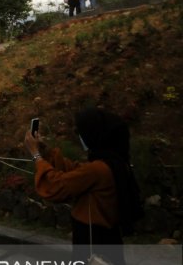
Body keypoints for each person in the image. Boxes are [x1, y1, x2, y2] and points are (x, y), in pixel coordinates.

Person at [24, 108, 143, 265]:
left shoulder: (98, 169)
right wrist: (46, 151)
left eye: (82, 132)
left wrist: (36, 155)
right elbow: (75, 170)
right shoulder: (114, 163)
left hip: (93, 241)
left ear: (97, 135)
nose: (80, 136)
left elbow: (56, 185)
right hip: (108, 237)